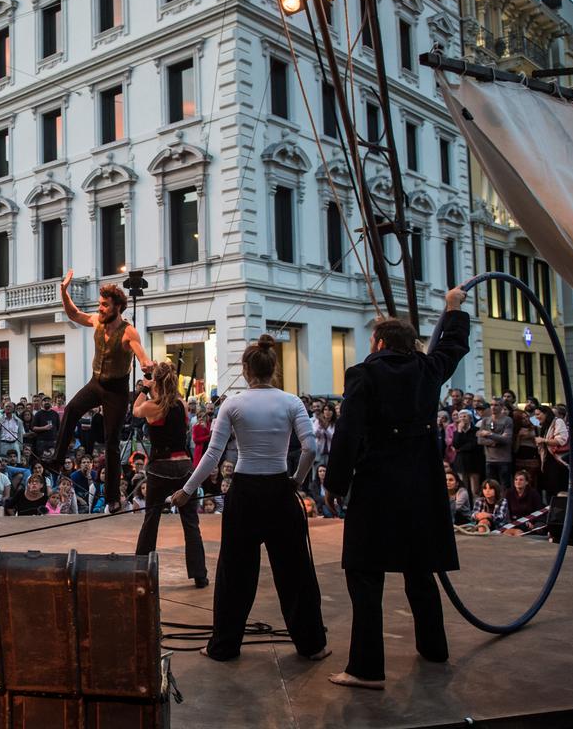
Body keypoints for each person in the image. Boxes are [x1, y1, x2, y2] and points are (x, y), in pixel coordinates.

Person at [323, 286, 470, 690]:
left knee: (365, 573)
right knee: (420, 569)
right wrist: (453, 307)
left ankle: (367, 668)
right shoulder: (428, 369)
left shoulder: (364, 374)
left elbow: (348, 433)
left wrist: (335, 483)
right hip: (421, 485)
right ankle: (434, 646)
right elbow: (456, 344)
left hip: (376, 487)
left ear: (381, 342)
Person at [171, 334, 328, 663]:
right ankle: (312, 645)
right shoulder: (291, 402)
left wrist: (187, 491)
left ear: (245, 369)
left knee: (235, 573)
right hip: (278, 489)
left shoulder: (233, 404)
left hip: (244, 491)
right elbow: (311, 448)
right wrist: (295, 481)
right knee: (295, 569)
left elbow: (213, 454)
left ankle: (224, 646)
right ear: (274, 368)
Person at [45, 273, 153, 509]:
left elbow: (141, 353)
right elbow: (74, 314)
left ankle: (113, 497)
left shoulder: (128, 331)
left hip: (117, 390)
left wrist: (146, 363)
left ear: (118, 307)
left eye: (105, 305)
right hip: (96, 382)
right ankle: (57, 459)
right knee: (72, 409)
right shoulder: (96, 321)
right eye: (100, 304)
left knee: (111, 441)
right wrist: (64, 292)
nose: (100, 308)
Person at [133, 361, 207, 587]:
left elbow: (135, 410)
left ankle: (140, 571)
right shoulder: (182, 405)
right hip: (184, 467)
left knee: (151, 520)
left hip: (160, 469)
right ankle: (200, 575)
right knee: (190, 521)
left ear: (156, 382)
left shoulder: (151, 406)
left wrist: (145, 388)